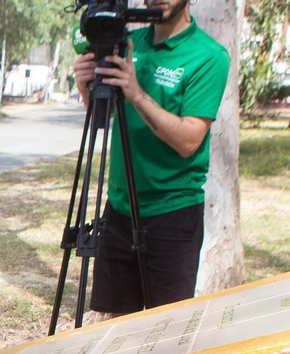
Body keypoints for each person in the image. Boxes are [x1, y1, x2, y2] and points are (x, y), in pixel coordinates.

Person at [72, 0, 230, 314]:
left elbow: (189, 141)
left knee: (165, 327)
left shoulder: (209, 56)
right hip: (119, 208)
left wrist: (137, 94)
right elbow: (105, 115)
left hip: (172, 212)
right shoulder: (127, 42)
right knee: (117, 325)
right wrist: (85, 86)